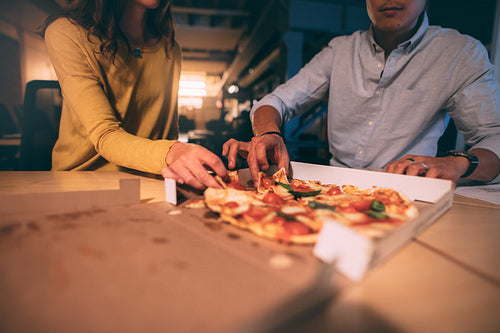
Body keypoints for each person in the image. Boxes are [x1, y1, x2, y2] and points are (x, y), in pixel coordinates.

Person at [223, 0, 500, 185]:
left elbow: (494, 138)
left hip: (410, 193)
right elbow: (277, 101)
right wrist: (268, 134)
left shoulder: (459, 53)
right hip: (334, 189)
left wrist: (458, 162)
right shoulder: (339, 50)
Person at [41, 0, 227, 189]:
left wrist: (178, 158)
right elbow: (106, 135)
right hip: (82, 184)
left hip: (150, 182)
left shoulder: (170, 49)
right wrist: (173, 151)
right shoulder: (67, 32)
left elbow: (168, 132)